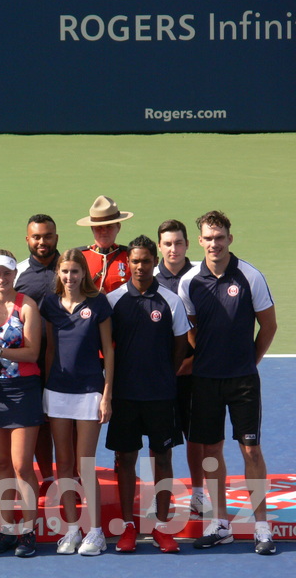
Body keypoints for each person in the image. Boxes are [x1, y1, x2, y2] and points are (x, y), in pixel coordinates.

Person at [178, 211, 277, 555]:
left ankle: (262, 527)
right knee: (210, 451)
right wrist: (205, 356)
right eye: (209, 238)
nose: (215, 243)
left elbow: (269, 326)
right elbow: (190, 328)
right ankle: (221, 524)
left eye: (220, 237)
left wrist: (249, 361)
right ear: (200, 241)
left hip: (243, 382)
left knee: (250, 449)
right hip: (205, 381)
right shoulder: (189, 281)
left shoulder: (250, 276)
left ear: (229, 239)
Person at [106, 236, 190, 554]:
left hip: (160, 395)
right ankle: (128, 526)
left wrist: (162, 375)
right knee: (125, 459)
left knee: (163, 459)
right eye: (135, 261)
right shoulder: (114, 301)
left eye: (145, 260)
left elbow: (180, 345)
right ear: (128, 263)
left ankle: (162, 526)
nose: (140, 266)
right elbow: (106, 347)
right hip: (125, 396)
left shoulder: (170, 301)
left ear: (155, 261)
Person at [39, 248, 113, 556]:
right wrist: (45, 389)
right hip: (57, 392)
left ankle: (95, 532)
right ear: (59, 273)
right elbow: (50, 351)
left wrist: (107, 395)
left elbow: (109, 351)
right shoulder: (50, 304)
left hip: (89, 391)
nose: (70, 277)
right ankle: (71, 529)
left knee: (85, 464)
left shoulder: (98, 304)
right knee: (64, 464)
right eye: (65, 272)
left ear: (84, 273)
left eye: (75, 271)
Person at [0, 251, 43, 558]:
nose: (1, 278)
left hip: (23, 391)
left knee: (21, 465)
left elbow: (32, 353)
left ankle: (27, 531)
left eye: (6, 273)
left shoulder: (27, 306)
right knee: (2, 465)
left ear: (14, 275)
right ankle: (5, 529)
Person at [155, 219, 205, 518]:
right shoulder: (151, 279)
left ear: (187, 244)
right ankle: (162, 498)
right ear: (160, 246)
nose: (173, 249)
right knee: (159, 441)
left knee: (196, 436)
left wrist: (193, 362)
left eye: (178, 243)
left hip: (194, 374)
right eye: (167, 243)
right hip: (160, 377)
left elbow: (210, 329)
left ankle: (198, 494)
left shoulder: (201, 278)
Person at [14, 214, 60, 496]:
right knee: (39, 421)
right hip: (30, 361)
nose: (42, 242)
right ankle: (48, 478)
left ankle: (73, 477)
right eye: (37, 237)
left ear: (57, 236)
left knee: (70, 424)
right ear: (28, 239)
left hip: (69, 360)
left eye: (48, 236)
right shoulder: (18, 273)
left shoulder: (70, 268)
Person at [76, 195, 134, 293]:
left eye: (109, 227)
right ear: (92, 229)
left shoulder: (130, 256)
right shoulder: (80, 257)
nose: (104, 231)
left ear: (118, 227)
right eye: (99, 227)